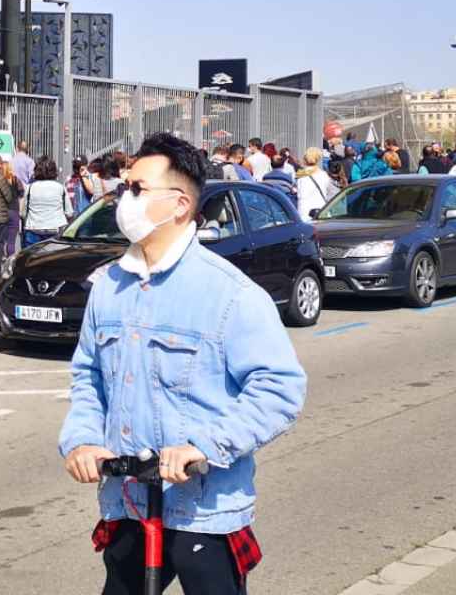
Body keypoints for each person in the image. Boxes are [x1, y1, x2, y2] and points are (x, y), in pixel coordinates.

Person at [60, 132, 307, 595]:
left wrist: (204, 446)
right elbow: (88, 377)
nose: (123, 198)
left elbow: (279, 389)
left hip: (204, 510)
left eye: (137, 189)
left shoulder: (229, 294)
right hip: (129, 500)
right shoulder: (108, 286)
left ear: (179, 205)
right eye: (123, 187)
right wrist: (82, 441)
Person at [23, 157, 68, 247]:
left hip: (33, 228)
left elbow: (23, 212)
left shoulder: (30, 188)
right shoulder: (60, 187)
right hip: (55, 228)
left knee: (31, 258)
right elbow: (68, 212)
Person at [295, 147, 340, 219]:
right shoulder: (323, 175)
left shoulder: (300, 175)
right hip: (321, 210)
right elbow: (332, 193)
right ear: (318, 159)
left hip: (303, 211)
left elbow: (300, 195)